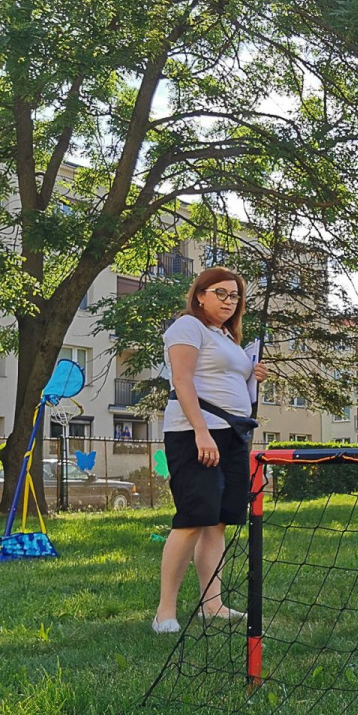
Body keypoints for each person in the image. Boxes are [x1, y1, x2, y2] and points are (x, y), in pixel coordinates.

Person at [154, 268, 269, 633]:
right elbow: (183, 380)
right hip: (195, 433)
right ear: (200, 294)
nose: (228, 301)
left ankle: (212, 604)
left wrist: (252, 374)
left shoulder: (226, 336)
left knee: (218, 522)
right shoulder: (187, 327)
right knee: (192, 518)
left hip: (232, 435)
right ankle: (165, 613)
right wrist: (201, 432)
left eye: (235, 296)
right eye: (221, 293)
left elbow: (222, 378)